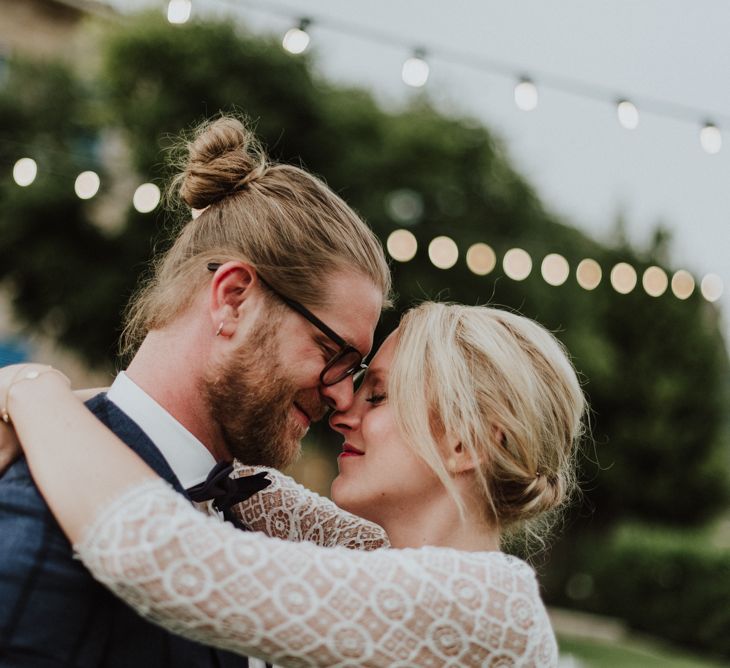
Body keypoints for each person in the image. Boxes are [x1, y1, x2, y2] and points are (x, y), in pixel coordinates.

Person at [0, 115, 390, 667]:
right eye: (332, 355)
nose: (340, 396)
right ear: (233, 299)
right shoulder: (39, 512)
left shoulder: (243, 520)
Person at [0, 301, 585, 667]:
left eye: (377, 395)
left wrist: (32, 391)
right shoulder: (372, 553)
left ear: (468, 444)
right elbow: (200, 458)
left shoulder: (490, 606)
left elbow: (163, 552)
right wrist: (50, 414)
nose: (342, 410)